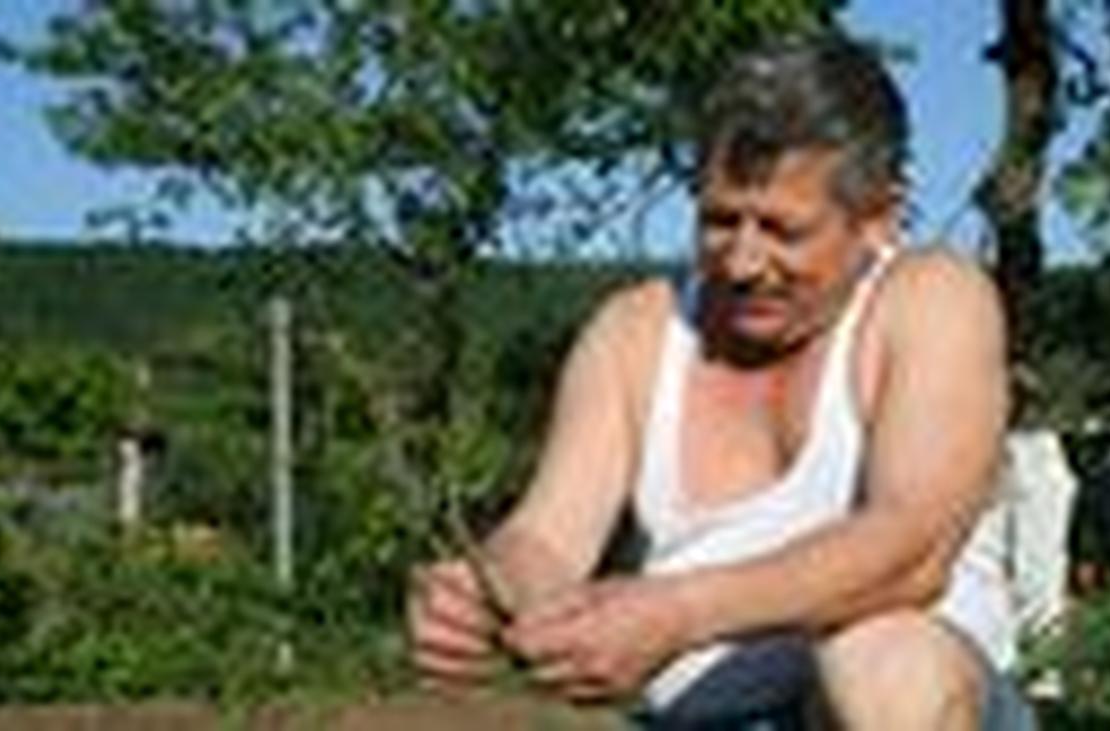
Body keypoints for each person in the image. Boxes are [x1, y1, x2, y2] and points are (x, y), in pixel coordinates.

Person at [408, 34, 1033, 730]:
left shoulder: (932, 298)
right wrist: (490, 589)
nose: (741, 262)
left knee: (880, 655)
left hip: (912, 704)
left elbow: (909, 553)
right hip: (694, 720)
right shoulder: (634, 332)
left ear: (878, 220)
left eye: (782, 230)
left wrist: (680, 611)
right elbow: (547, 539)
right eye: (720, 220)